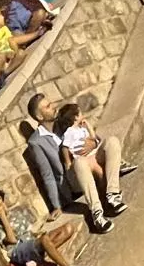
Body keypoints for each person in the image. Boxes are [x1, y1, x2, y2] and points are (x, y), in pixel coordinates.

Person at [36, 94, 133, 226]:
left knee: (112, 141)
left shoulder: (64, 120)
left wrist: (93, 143)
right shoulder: (37, 142)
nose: (53, 107)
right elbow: (47, 174)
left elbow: (96, 140)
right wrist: (56, 205)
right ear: (39, 116)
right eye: (47, 106)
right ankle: (97, 213)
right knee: (81, 162)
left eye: (50, 103)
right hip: (75, 172)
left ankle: (113, 195)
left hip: (90, 159)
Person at [0, 187, 92, 266]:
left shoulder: (15, 214)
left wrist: (42, 234)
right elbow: (12, 240)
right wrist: (2, 216)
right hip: (17, 250)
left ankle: (36, 257)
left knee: (68, 228)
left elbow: (31, 232)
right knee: (44, 240)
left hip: (32, 242)